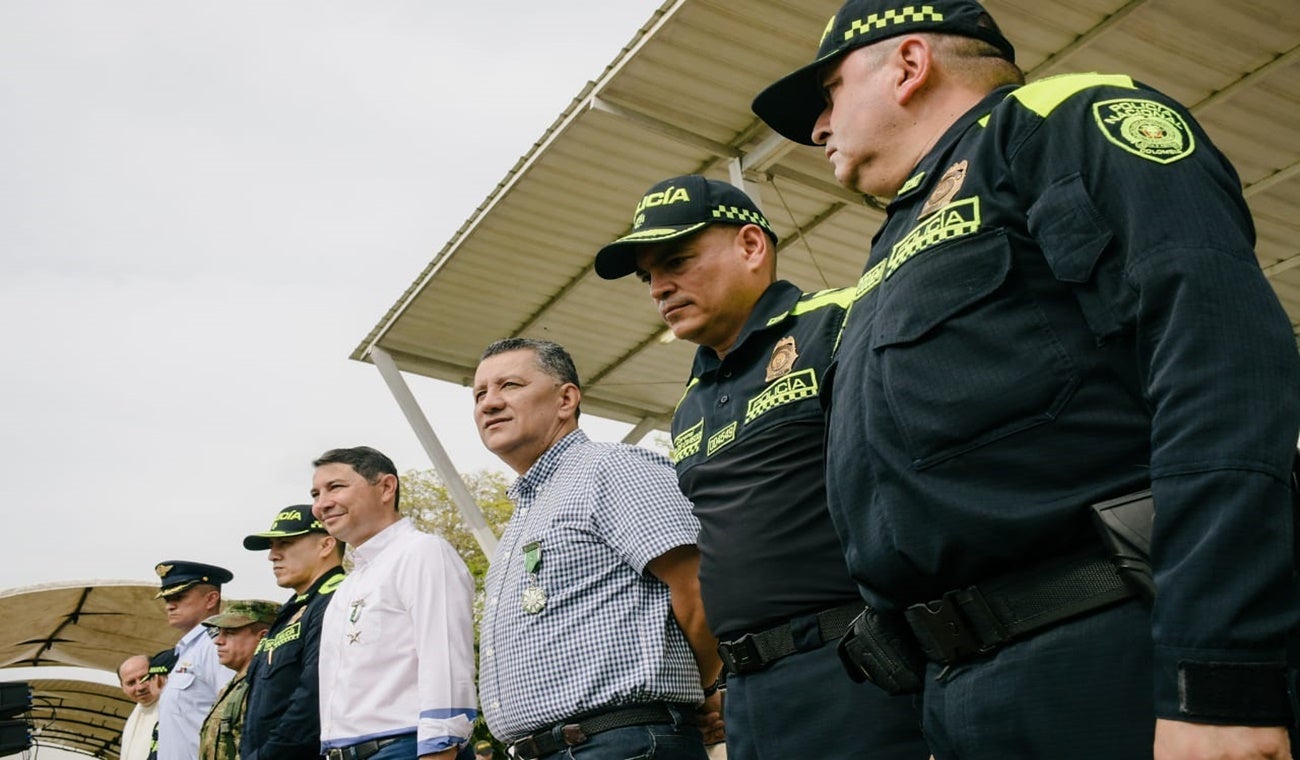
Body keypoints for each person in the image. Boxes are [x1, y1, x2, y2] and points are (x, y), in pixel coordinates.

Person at [750, 1, 1300, 758]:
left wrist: (1218, 678)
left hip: (1113, 655)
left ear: (908, 65)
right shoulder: (895, 241)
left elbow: (1219, 367)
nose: (817, 128)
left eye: (829, 93)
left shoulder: (1060, 123)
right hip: (967, 688)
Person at [594, 174, 928, 760]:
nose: (659, 288)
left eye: (677, 261)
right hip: (750, 695)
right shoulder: (690, 403)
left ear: (751, 246)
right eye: (649, 276)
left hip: (860, 669)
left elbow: (918, 479)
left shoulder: (841, 321)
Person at [472, 338, 722, 760]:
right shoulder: (528, 510)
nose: (489, 403)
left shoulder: (611, 469)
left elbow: (700, 585)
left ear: (566, 399)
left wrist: (702, 686)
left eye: (510, 385)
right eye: (479, 394)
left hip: (617, 743)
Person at [310, 446, 476, 760]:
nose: (322, 504)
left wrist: (439, 748)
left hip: (405, 748)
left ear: (386, 487)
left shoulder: (422, 552)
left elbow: (445, 663)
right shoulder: (349, 584)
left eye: (336, 487)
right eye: (316, 494)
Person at [239, 505, 346, 760]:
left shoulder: (337, 601)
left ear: (326, 545)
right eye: (272, 546)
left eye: (285, 544)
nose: (272, 556)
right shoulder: (293, 609)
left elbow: (311, 703)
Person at [154, 561, 236, 760]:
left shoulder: (216, 646)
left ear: (211, 599)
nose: (170, 605)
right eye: (167, 599)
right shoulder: (188, 650)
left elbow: (232, 716)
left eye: (179, 597)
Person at [198, 600, 277, 760]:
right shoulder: (237, 684)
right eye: (219, 632)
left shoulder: (267, 687)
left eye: (230, 632)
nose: (218, 640)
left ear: (263, 637)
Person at [118, 654, 162, 760]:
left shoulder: (176, 710)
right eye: (131, 683)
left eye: (145, 678)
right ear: (123, 688)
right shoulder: (134, 717)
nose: (140, 687)